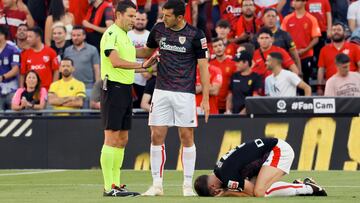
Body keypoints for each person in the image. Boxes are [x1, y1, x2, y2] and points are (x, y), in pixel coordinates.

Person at [137, 0, 210, 196]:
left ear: (180, 17)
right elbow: (146, 51)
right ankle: (157, 185)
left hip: (185, 93)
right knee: (156, 136)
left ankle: (187, 185)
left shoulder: (196, 35)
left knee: (186, 137)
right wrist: (119, 52)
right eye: (162, 14)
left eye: (167, 15)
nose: (162, 18)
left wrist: (206, 98)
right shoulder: (158, 29)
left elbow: (203, 67)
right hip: (161, 91)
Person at [99, 0, 157, 197]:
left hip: (124, 89)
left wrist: (148, 59)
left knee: (122, 138)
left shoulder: (124, 36)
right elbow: (115, 61)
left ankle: (116, 184)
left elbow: (136, 54)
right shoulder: (112, 33)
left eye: (135, 16)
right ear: (118, 15)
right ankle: (109, 187)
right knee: (111, 137)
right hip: (113, 88)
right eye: (131, 16)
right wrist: (141, 66)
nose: (134, 20)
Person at [194, 138, 327, 197]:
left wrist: (227, 193)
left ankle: (308, 188)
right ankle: (299, 184)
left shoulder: (227, 177)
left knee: (260, 192)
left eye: (214, 193)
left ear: (213, 188)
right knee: (260, 188)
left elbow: (252, 192)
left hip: (278, 150)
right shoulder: (218, 169)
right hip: (267, 151)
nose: (217, 193)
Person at [281, 0, 321, 84]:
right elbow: (282, 37)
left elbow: (316, 38)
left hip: (306, 55)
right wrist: (292, 52)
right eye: (293, 1)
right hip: (290, 57)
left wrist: (305, 50)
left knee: (305, 81)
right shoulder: (287, 19)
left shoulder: (312, 19)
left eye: (297, 1)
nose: (294, 2)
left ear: (304, 2)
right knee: (290, 83)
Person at [317, 23, 360, 95]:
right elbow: (321, 69)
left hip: (352, 85)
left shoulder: (354, 47)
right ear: (330, 33)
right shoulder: (324, 50)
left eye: (339, 30)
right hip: (333, 85)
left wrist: (356, 78)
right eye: (333, 30)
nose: (336, 32)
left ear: (345, 33)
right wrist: (319, 87)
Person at [64, 25, 100, 106]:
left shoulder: (92, 50)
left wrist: (97, 87)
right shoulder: (67, 50)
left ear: (84, 36)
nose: (75, 38)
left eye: (78, 35)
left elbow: (97, 68)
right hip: (71, 87)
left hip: (88, 87)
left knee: (86, 114)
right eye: (73, 35)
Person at [226, 51, 262, 115]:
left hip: (249, 115)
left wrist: (242, 114)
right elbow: (230, 94)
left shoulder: (256, 77)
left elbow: (254, 98)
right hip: (234, 114)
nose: (236, 64)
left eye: (238, 62)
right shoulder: (234, 76)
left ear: (246, 62)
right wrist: (228, 110)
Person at [127, 11, 151, 108]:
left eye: (142, 19)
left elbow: (154, 55)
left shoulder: (150, 35)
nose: (140, 21)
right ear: (133, 20)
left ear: (147, 21)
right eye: (137, 19)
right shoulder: (127, 35)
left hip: (147, 79)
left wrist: (149, 70)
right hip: (130, 78)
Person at [209, 38, 236, 113]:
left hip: (229, 104)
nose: (218, 48)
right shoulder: (210, 65)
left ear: (224, 47)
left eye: (220, 45)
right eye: (215, 46)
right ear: (212, 50)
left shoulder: (233, 64)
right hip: (214, 103)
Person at [0, 25, 20, 110]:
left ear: (3, 35)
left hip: (11, 88)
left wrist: (3, 77)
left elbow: (15, 69)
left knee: (13, 114)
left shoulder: (13, 50)